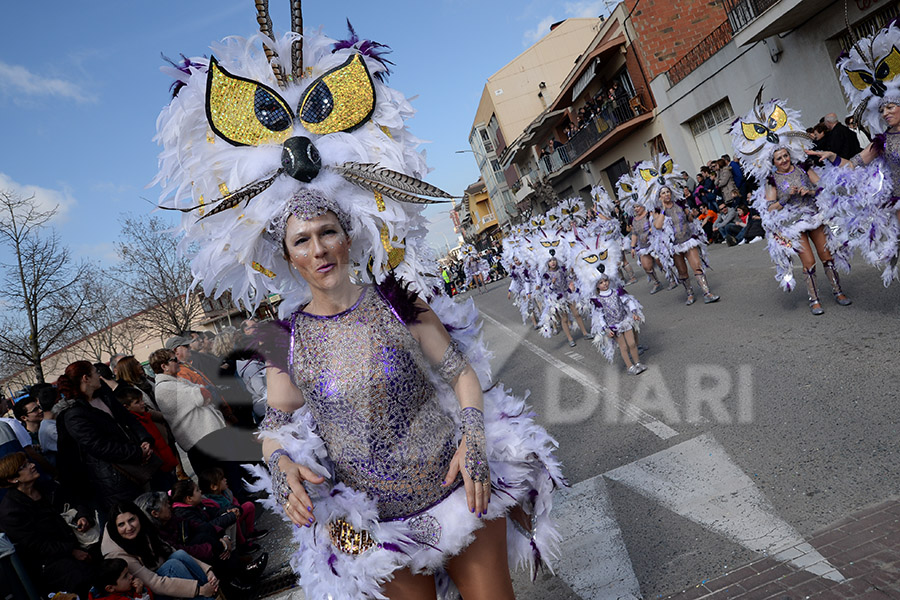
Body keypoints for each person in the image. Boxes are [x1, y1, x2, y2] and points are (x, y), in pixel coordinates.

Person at [730, 94, 853, 308]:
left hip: (814, 215)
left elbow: (822, 188)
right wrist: (785, 198)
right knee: (809, 261)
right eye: (779, 158)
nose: (784, 160)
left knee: (827, 255)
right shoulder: (771, 179)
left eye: (786, 156)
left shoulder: (804, 168)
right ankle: (814, 300)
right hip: (792, 223)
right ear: (773, 161)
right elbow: (770, 207)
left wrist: (809, 192)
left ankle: (838, 291)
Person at [810, 22, 900, 285]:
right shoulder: (881, 142)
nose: (885, 113)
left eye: (891, 107)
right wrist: (832, 158)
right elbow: (855, 163)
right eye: (882, 110)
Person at [56, 361, 156, 513]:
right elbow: (99, 446)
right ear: (86, 378)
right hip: (115, 477)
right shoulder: (74, 415)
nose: (99, 375)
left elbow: (129, 419)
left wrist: (145, 440)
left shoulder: (104, 395)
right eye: (95, 372)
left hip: (139, 463)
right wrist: (136, 452)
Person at [0, 451, 98, 599]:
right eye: (24, 466)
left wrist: (82, 516)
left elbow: (74, 500)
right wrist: (72, 551)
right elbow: (37, 546)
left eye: (29, 462)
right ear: (13, 479)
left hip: (77, 542)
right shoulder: (11, 511)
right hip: (51, 563)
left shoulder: (46, 487)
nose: (32, 465)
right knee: (83, 579)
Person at [101, 501, 218, 600]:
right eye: (121, 524)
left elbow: (170, 550)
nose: (129, 527)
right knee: (173, 565)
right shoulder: (117, 554)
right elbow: (154, 583)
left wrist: (207, 571)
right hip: (150, 592)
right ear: (115, 528)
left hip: (166, 581)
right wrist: (199, 590)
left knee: (178, 554)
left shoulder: (143, 531)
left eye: (131, 520)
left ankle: (212, 589)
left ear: (139, 517)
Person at [147, 349, 227, 477]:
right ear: (164, 366)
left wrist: (204, 393)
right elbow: (204, 394)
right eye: (173, 360)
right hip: (199, 440)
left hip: (206, 436)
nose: (178, 362)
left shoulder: (175, 381)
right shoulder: (165, 387)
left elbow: (207, 391)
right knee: (218, 479)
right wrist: (202, 393)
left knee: (226, 475)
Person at [653, 185, 721, 305]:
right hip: (674, 246)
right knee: (682, 271)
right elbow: (658, 226)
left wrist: (692, 214)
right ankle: (690, 293)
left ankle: (707, 293)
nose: (666, 194)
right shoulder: (657, 211)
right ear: (659, 197)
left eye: (668, 192)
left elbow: (689, 219)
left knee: (697, 266)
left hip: (688, 240)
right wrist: (663, 208)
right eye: (663, 193)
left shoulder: (680, 204)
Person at [114, 386, 180, 491]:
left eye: (141, 400)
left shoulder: (145, 416)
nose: (142, 403)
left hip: (166, 460)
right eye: (137, 402)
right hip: (159, 467)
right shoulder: (135, 423)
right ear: (126, 407)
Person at [589, 274, 645, 374]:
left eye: (605, 280)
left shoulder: (617, 292)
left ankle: (638, 363)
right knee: (623, 347)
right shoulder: (598, 300)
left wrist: (634, 312)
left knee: (632, 343)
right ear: (597, 286)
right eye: (601, 283)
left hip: (625, 321)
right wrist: (606, 329)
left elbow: (628, 301)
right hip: (614, 327)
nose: (604, 284)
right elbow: (600, 316)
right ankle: (630, 367)